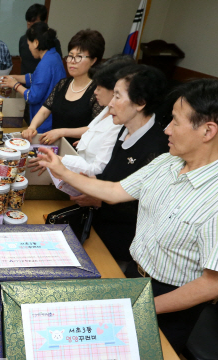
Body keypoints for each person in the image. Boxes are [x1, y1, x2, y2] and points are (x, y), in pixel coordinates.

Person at [36, 78, 218, 354]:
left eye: (175, 122)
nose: (166, 129)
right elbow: (116, 191)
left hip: (171, 302)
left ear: (208, 130)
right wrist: (62, 171)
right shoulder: (169, 161)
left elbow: (213, 285)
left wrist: (141, 307)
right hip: (134, 276)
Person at [65, 65, 169, 266]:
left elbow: (145, 208)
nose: (110, 104)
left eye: (118, 97)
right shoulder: (123, 130)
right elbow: (111, 177)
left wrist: (99, 200)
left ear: (140, 103)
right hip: (95, 227)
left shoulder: (157, 148)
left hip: (121, 245)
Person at [22, 29, 105, 146]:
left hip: (78, 151)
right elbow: (44, 111)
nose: (72, 61)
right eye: (70, 56)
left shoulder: (97, 90)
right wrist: (32, 127)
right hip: (55, 147)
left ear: (93, 60)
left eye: (79, 57)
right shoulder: (63, 84)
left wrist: (61, 132)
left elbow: (96, 128)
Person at [60, 55, 136, 176]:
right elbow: (93, 131)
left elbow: (98, 170)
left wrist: (60, 161)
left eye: (99, 88)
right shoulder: (107, 108)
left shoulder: (121, 122)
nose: (95, 91)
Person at [0, 22, 65, 130]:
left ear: (36, 43)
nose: (29, 48)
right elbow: (34, 78)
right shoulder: (54, 56)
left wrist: (15, 85)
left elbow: (32, 96)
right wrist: (12, 77)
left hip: (44, 122)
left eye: (29, 44)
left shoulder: (45, 64)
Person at [19, 4, 62, 76]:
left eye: (34, 23)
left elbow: (55, 67)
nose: (30, 26)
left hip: (42, 83)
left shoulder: (52, 42)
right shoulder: (23, 40)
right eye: (28, 22)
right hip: (24, 84)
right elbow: (22, 60)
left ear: (44, 21)